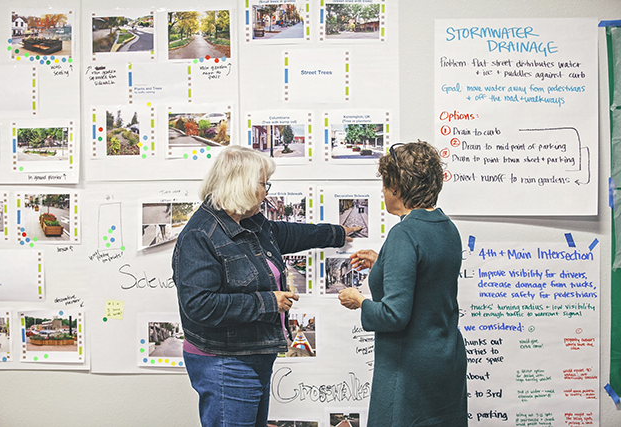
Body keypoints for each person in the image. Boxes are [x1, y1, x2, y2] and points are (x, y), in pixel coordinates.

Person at [172, 145, 359, 427]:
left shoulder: (249, 223)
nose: (267, 191)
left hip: (251, 354)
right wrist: (268, 302)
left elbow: (289, 233)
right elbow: (200, 305)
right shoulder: (200, 235)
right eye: (263, 184)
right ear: (243, 185)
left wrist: (337, 233)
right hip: (225, 363)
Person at [338, 141, 468, 426]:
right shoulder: (447, 228)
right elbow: (427, 276)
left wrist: (358, 300)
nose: (383, 191)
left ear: (397, 186)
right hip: (446, 360)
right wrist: (382, 260)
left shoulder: (404, 234)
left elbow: (393, 315)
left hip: (409, 371)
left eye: (385, 184)